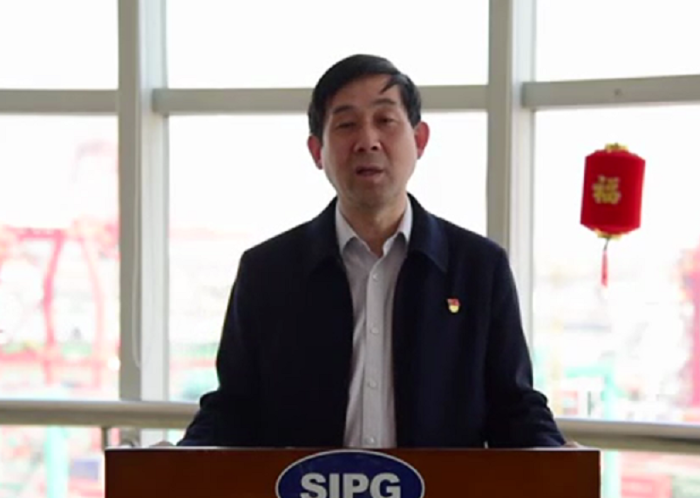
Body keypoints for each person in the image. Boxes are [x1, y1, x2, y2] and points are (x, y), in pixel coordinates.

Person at [177, 54, 565, 448]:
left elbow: (514, 407)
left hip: (440, 492)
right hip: (304, 491)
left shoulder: (479, 267)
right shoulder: (268, 272)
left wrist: (558, 458)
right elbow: (234, 409)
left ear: (419, 140)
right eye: (346, 125)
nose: (368, 141)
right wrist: (179, 460)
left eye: (385, 120)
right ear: (317, 150)